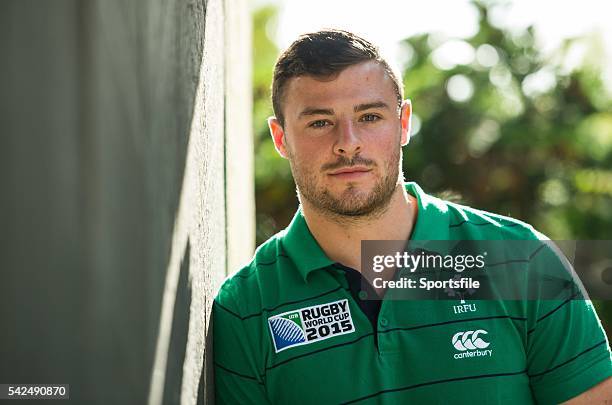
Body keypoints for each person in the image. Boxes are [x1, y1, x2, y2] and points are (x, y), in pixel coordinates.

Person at [213, 29, 612, 404]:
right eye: (320, 122)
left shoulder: (522, 259)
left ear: (403, 123)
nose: (347, 144)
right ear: (281, 138)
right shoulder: (247, 307)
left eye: (369, 117)